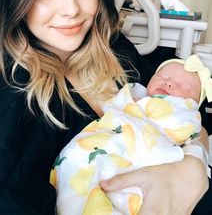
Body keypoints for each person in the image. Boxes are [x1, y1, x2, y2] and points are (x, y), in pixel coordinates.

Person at [0, 0, 209, 215]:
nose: (71, 9)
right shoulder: (18, 100)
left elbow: (190, 98)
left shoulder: (113, 49)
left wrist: (193, 164)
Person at [52, 54, 212, 215]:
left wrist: (195, 157)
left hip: (152, 172)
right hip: (98, 159)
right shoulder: (134, 95)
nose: (168, 82)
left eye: (183, 86)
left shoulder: (124, 53)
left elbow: (199, 124)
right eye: (162, 76)